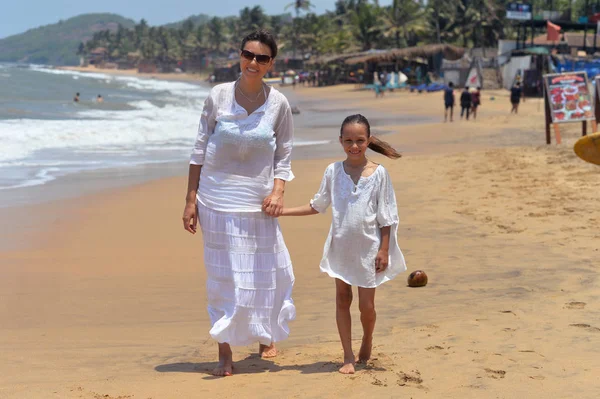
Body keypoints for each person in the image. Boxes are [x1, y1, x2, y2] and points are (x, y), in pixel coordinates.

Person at [181, 29, 295, 377]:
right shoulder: (217, 96)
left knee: (267, 273)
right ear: (240, 56)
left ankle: (265, 333)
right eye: (249, 55)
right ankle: (225, 354)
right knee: (224, 277)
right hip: (216, 199)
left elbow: (285, 155)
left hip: (258, 202)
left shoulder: (278, 104)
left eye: (262, 58)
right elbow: (199, 150)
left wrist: (278, 192)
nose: (254, 62)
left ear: (271, 63)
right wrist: (190, 200)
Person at [281, 114, 407, 375]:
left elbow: (388, 217)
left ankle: (367, 339)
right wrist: (283, 211)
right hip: (341, 247)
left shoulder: (379, 174)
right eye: (348, 140)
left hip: (370, 249)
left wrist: (384, 249)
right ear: (340, 141)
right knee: (342, 299)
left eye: (360, 141)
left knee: (366, 306)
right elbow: (317, 205)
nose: (354, 146)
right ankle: (347, 355)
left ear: (368, 141)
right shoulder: (333, 171)